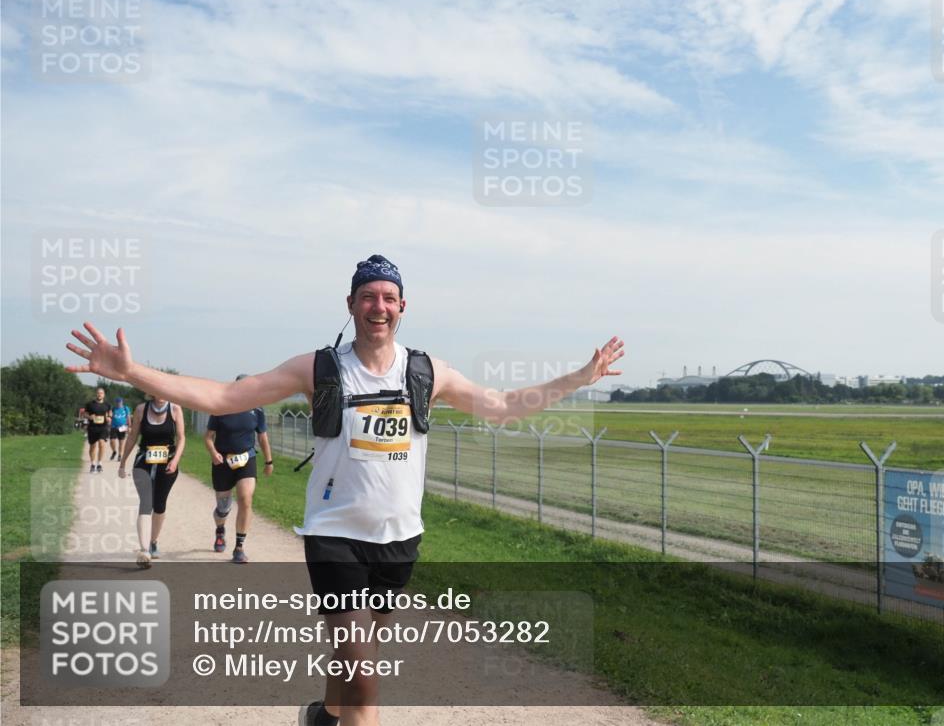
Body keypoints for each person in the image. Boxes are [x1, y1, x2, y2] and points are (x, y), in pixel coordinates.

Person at [65, 254, 624, 726]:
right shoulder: (320, 367)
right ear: (351, 304)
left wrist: (579, 378)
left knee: (355, 657)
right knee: (365, 676)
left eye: (388, 297)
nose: (377, 307)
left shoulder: (428, 373)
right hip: (334, 537)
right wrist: (135, 374)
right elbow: (219, 397)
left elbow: (502, 407)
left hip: (400, 538)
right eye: (367, 296)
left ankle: (321, 718)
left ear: (402, 307)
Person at [204, 377, 274, 564]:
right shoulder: (220, 407)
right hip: (222, 462)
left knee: (245, 498)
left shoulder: (257, 409)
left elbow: (263, 437)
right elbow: (209, 437)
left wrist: (269, 461)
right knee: (223, 508)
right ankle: (220, 531)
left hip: (247, 459)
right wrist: (213, 452)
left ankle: (239, 548)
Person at [116, 395, 185, 568]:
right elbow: (132, 437)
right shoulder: (141, 409)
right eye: (157, 391)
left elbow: (181, 438)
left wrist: (175, 460)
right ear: (151, 392)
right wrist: (123, 461)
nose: (161, 395)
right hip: (143, 462)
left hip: (167, 462)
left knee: (160, 505)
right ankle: (144, 550)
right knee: (146, 503)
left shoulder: (175, 409)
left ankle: (153, 541)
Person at [83, 387, 112, 472]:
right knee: (93, 446)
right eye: (98, 393)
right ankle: (92, 464)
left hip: (103, 427)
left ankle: (99, 463)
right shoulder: (90, 404)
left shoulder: (107, 405)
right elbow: (85, 414)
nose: (99, 394)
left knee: (101, 443)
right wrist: (89, 417)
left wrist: (109, 417)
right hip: (92, 428)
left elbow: (110, 412)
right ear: (96, 394)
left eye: (101, 393)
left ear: (104, 395)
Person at [108, 397, 133, 461]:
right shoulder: (113, 409)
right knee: (112, 441)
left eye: (120, 402)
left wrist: (129, 426)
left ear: (122, 402)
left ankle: (120, 455)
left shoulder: (125, 408)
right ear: (115, 402)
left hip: (123, 427)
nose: (118, 403)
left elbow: (128, 417)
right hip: (114, 427)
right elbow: (110, 417)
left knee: (121, 442)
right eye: (117, 402)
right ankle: (114, 451)